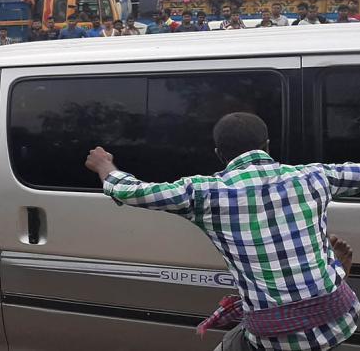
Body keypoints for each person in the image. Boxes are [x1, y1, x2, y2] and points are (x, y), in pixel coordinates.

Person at [85, 112, 360, 351]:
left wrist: (104, 164)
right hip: (342, 319)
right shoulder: (314, 176)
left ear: (219, 154)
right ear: (267, 145)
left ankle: (325, 279)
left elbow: (130, 191)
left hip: (277, 337)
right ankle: (330, 274)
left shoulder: (205, 193)